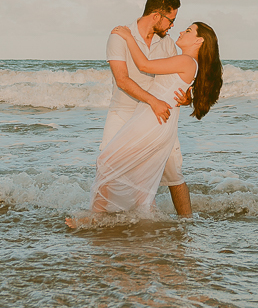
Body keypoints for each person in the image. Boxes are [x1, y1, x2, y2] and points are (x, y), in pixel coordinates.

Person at [67, 17, 223, 226]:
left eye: (188, 30)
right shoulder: (188, 62)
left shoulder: (186, 61)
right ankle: (146, 221)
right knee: (140, 175)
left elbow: (144, 65)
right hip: (155, 120)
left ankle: (95, 217)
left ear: (199, 41)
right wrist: (187, 98)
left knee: (107, 161)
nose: (181, 32)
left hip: (152, 120)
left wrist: (128, 37)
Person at [101, 0, 191, 213]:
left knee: (173, 173)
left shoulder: (167, 43)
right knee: (107, 167)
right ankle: (98, 221)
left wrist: (187, 97)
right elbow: (122, 80)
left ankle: (187, 223)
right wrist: (153, 101)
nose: (172, 25)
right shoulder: (120, 36)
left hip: (156, 116)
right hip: (123, 111)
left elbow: (177, 78)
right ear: (156, 16)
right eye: (171, 20)